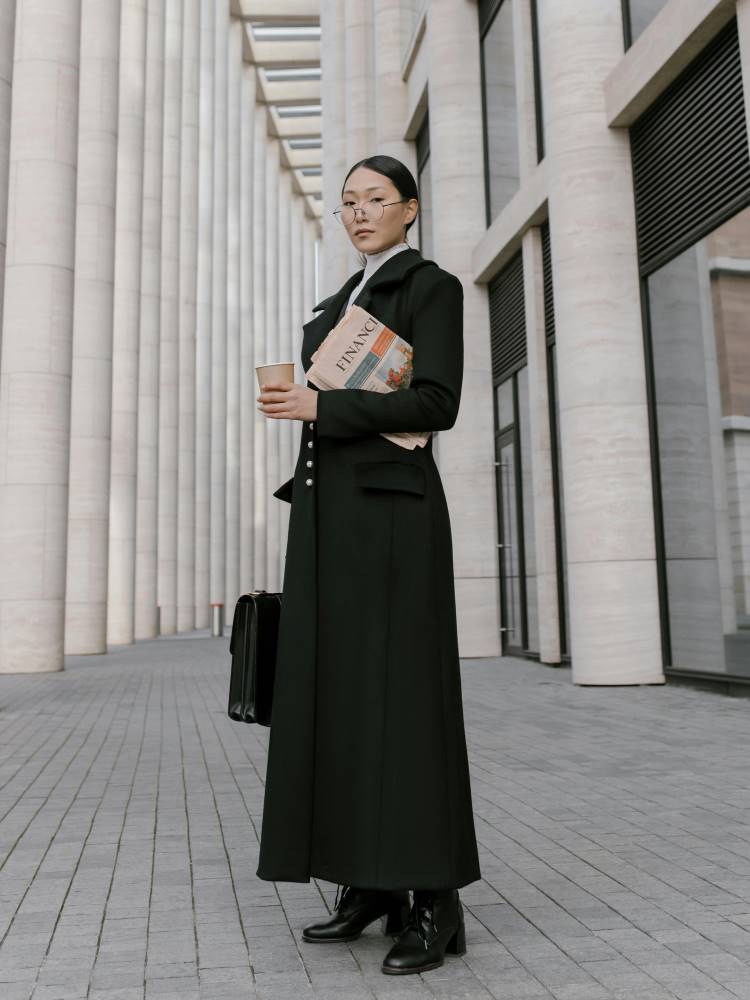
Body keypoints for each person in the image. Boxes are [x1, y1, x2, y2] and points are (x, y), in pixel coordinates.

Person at [255, 154, 481, 976]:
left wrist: (322, 404)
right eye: (347, 201)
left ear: (410, 209)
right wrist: (298, 406)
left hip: (395, 526)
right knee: (341, 700)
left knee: (405, 702)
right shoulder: (330, 310)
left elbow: (436, 403)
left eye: (376, 200)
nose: (359, 213)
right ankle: (369, 883)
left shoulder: (432, 289)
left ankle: (433, 899)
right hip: (328, 527)